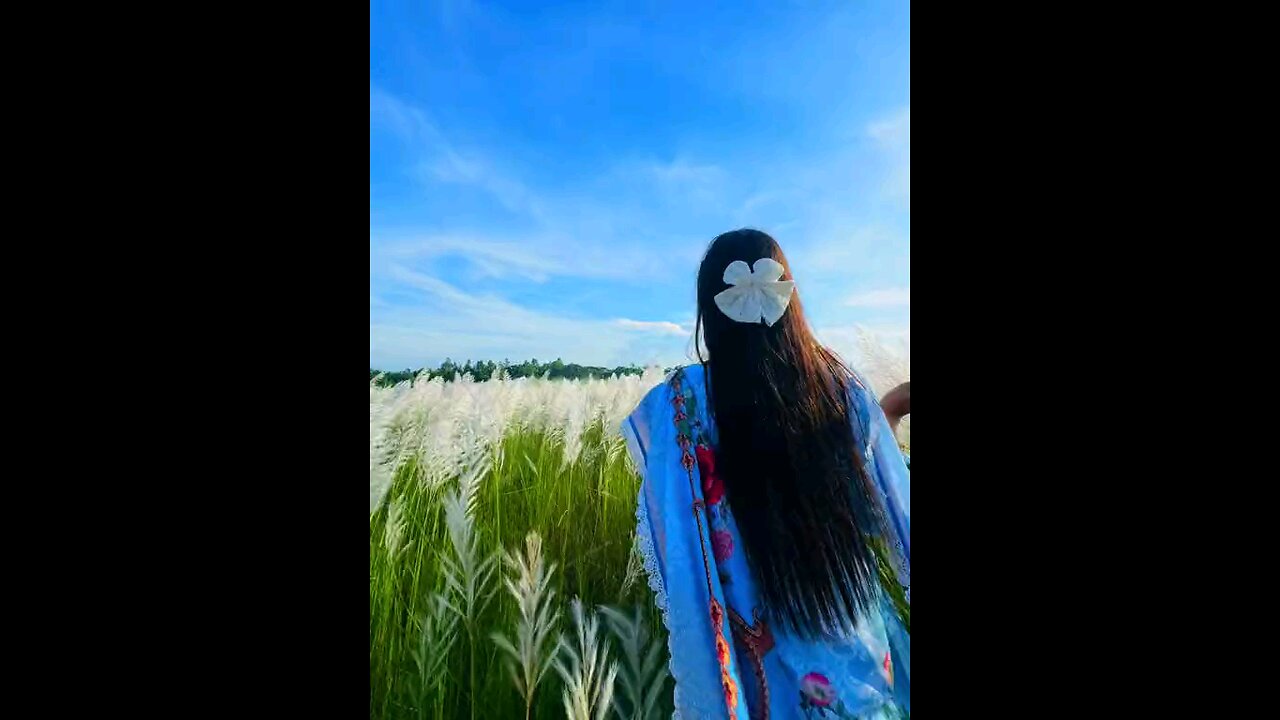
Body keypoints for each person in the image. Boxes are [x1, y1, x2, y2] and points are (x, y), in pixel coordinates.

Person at [621, 229, 910, 719]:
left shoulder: (677, 406)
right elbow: (874, 515)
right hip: (851, 648)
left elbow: (678, 543)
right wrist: (890, 414)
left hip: (754, 672)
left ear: (708, 312)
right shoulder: (838, 388)